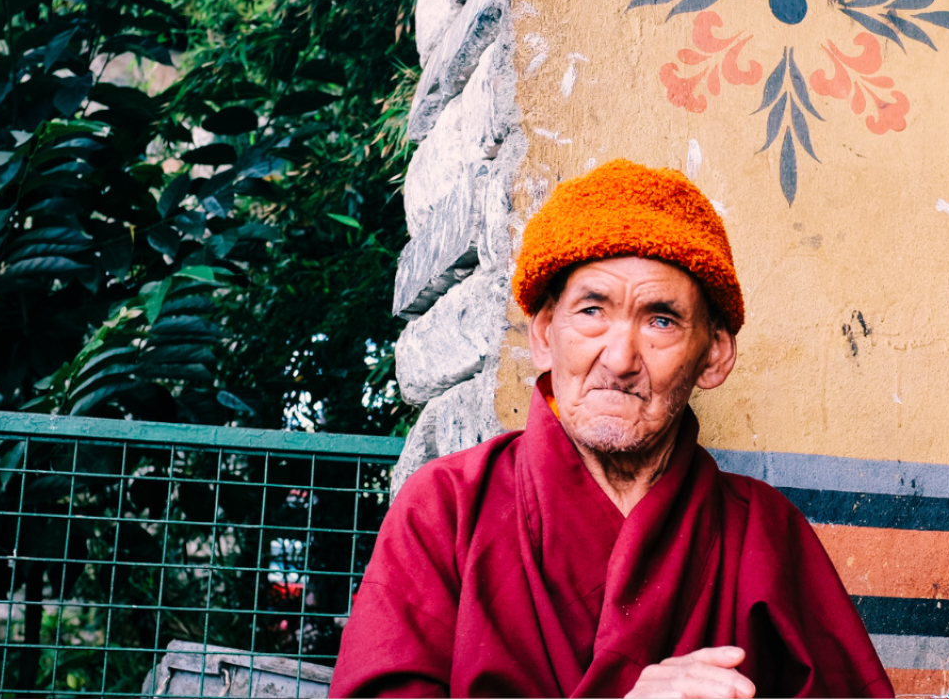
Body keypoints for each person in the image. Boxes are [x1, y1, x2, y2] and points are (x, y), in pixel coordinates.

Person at [331, 160, 892, 698]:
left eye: (661, 321)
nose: (620, 358)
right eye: (592, 311)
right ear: (545, 335)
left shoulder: (762, 534)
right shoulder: (447, 510)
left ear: (714, 355)